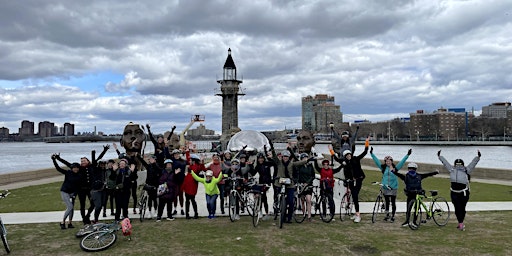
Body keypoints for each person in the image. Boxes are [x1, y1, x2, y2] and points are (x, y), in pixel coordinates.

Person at [438, 149, 481, 231]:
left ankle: (461, 223)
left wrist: (478, 157)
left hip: (464, 193)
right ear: (455, 165)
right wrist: (440, 157)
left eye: (460, 165)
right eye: (457, 165)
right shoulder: (451, 169)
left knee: (462, 208)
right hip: (454, 193)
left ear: (462, 165)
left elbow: (473, 163)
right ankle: (460, 223)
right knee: (457, 208)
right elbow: (445, 163)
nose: (458, 166)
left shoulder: (466, 170)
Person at [269, 142, 310, 223]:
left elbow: (299, 162)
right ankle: (277, 206)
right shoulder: (279, 163)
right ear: (282, 157)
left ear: (288, 157)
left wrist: (308, 160)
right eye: (284, 156)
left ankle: (289, 217)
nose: (285, 158)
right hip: (280, 182)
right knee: (278, 196)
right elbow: (274, 156)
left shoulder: (291, 164)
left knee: (291, 201)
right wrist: (272, 147)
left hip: (289, 184)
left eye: (287, 157)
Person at [370, 147, 411, 223]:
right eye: (386, 161)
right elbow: (376, 161)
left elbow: (402, 162)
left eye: (389, 161)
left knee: (393, 202)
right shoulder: (383, 168)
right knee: (387, 202)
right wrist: (372, 154)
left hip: (393, 187)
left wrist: (407, 155)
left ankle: (393, 216)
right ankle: (387, 215)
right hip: (385, 187)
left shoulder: (396, 168)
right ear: (385, 162)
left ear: (392, 161)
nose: (388, 162)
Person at [392, 162, 439, 226]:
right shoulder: (419, 176)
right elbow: (428, 174)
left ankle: (407, 221)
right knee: (416, 208)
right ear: (415, 169)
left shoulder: (406, 176)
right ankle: (414, 222)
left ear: (408, 169)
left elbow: (399, 175)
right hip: (418, 193)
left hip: (410, 193)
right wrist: (435, 172)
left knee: (408, 208)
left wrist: (393, 172)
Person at [337, 137, 369, 223]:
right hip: (351, 181)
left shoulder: (356, 159)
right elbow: (345, 172)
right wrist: (331, 152)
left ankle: (358, 215)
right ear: (345, 157)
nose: (348, 156)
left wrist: (366, 142)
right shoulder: (345, 164)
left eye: (349, 155)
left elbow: (365, 152)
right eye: (347, 156)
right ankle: (356, 213)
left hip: (358, 179)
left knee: (355, 196)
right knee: (354, 197)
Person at [52, 154, 81, 229]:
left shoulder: (80, 175)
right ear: (72, 168)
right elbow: (58, 168)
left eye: (77, 168)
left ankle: (70, 223)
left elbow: (78, 186)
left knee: (72, 208)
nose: (76, 169)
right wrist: (54, 160)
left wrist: (75, 194)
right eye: (74, 168)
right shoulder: (68, 172)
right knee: (70, 206)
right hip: (65, 192)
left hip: (73, 193)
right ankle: (62, 222)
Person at [249, 152, 273, 217]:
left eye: (262, 158)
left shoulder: (267, 164)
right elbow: (253, 173)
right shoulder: (258, 166)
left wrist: (270, 158)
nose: (260, 160)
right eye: (259, 159)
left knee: (264, 197)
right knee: (259, 196)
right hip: (261, 182)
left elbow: (273, 163)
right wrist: (251, 165)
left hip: (267, 182)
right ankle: (260, 211)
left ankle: (267, 212)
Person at [138, 154, 162, 219]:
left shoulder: (157, 166)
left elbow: (160, 171)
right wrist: (138, 156)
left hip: (155, 185)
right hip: (149, 185)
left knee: (155, 199)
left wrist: (154, 163)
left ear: (154, 160)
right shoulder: (149, 166)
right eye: (150, 159)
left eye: (151, 159)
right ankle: (149, 211)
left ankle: (155, 211)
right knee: (150, 199)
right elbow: (143, 162)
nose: (150, 160)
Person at [183, 153, 206, 219]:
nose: (189, 161)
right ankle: (190, 214)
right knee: (190, 200)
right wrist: (187, 151)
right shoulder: (192, 166)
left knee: (190, 200)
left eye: (190, 160)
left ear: (193, 161)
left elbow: (203, 168)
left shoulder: (196, 166)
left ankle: (193, 213)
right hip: (189, 184)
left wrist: (202, 162)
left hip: (192, 185)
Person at [294, 153, 316, 222]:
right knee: (302, 200)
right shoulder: (299, 167)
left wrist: (308, 182)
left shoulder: (310, 166)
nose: (305, 159)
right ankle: (304, 213)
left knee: (308, 200)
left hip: (308, 185)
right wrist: (299, 182)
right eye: (304, 158)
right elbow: (297, 175)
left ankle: (309, 216)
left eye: (306, 158)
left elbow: (313, 175)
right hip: (302, 185)